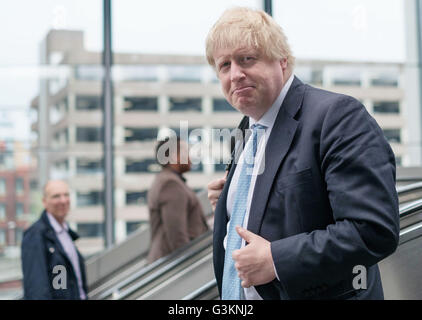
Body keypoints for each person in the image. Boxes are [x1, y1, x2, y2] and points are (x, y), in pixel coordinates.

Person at [206, 7, 400, 300]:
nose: (235, 74)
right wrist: (231, 205)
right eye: (224, 65)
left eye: (247, 59)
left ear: (282, 61)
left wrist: (276, 260)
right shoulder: (246, 131)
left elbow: (373, 229)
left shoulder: (337, 117)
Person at [21, 180, 88, 300]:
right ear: (44, 202)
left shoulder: (66, 233)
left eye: (66, 195)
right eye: (56, 196)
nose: (63, 200)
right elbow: (36, 289)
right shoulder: (35, 235)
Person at [147, 136, 209, 263]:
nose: (191, 157)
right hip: (172, 266)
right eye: (186, 152)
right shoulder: (170, 184)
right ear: (174, 156)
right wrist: (189, 264)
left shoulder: (165, 180)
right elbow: (177, 236)